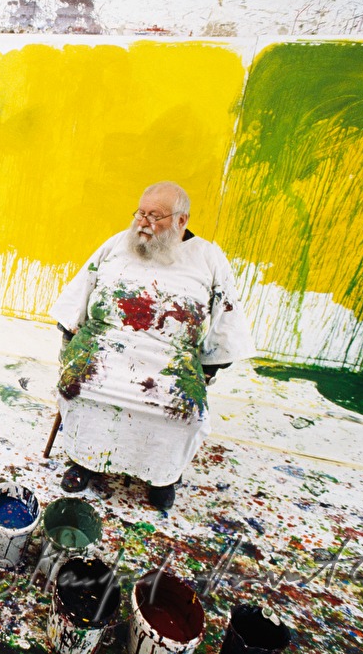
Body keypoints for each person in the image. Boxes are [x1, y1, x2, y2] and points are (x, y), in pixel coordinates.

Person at [50, 181, 255, 509]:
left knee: (188, 413)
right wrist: (71, 336)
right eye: (140, 213)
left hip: (170, 362)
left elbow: (226, 322)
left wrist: (209, 367)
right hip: (104, 349)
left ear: (181, 220)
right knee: (77, 388)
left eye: (154, 216)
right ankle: (84, 461)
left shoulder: (208, 258)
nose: (142, 222)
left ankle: (162, 476)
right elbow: (79, 292)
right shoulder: (118, 244)